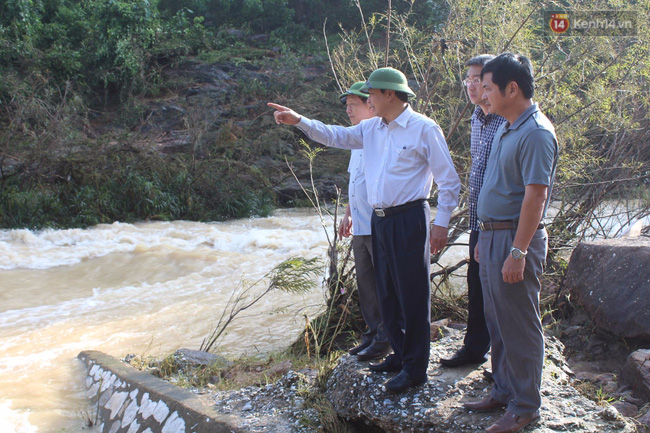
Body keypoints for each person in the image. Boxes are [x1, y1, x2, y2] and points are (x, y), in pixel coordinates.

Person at [268, 67, 460, 393]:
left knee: (412, 294)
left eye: (371, 92)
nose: (367, 98)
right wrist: (299, 121)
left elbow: (449, 181)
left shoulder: (423, 129)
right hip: (379, 220)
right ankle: (399, 355)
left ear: (388, 94)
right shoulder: (371, 129)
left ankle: (415, 368)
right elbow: (334, 135)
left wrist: (440, 223)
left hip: (410, 218)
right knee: (386, 293)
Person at [463, 53, 558, 433]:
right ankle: (503, 390)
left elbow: (536, 197)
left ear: (511, 88)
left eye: (488, 86)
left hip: (516, 238)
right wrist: (483, 237)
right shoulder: (507, 125)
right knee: (497, 320)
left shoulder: (536, 132)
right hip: (493, 235)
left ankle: (524, 407)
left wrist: (518, 251)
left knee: (519, 324)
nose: (482, 94)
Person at [440, 55, 506, 369]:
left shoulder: (507, 121)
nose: (471, 85)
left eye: (478, 78)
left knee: (502, 294)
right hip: (478, 220)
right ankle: (474, 348)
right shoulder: (476, 119)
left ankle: (505, 364)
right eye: (467, 79)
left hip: (502, 224)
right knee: (476, 284)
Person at [338, 82, 391, 362]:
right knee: (366, 283)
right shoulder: (355, 141)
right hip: (359, 224)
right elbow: (355, 181)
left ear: (370, 105)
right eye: (346, 105)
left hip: (378, 224)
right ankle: (372, 333)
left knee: (383, 284)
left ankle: (386, 336)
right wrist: (348, 214)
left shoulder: (381, 138)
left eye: (353, 104)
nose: (348, 110)